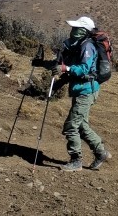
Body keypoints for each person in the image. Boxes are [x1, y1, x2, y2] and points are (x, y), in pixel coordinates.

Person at [34, 16, 111, 171]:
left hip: (86, 90)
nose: (73, 31)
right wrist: (43, 64)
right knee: (81, 125)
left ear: (83, 31)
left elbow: (83, 68)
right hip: (81, 90)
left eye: (76, 28)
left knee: (71, 126)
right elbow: (62, 65)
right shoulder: (77, 46)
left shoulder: (86, 46)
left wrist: (66, 69)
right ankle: (101, 152)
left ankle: (76, 160)